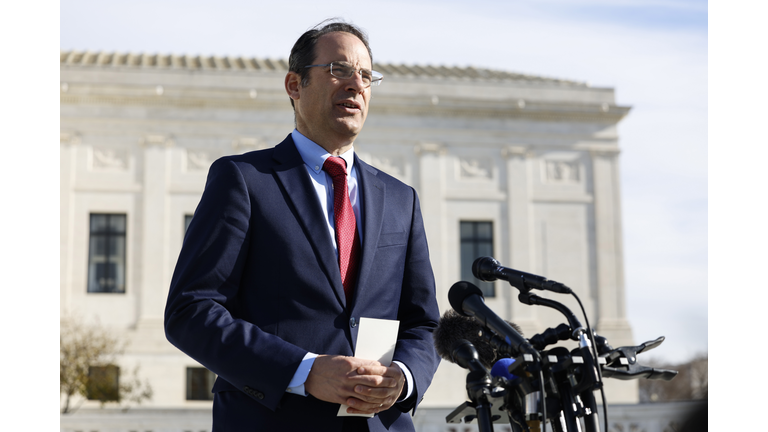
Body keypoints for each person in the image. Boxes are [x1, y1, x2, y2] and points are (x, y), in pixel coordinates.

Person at [164, 19, 441, 432]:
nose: (356, 85)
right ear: (295, 85)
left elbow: (424, 323)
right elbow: (191, 310)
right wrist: (305, 370)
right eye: (339, 70)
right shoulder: (243, 180)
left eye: (366, 76)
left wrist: (404, 377)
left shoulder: (402, 199)